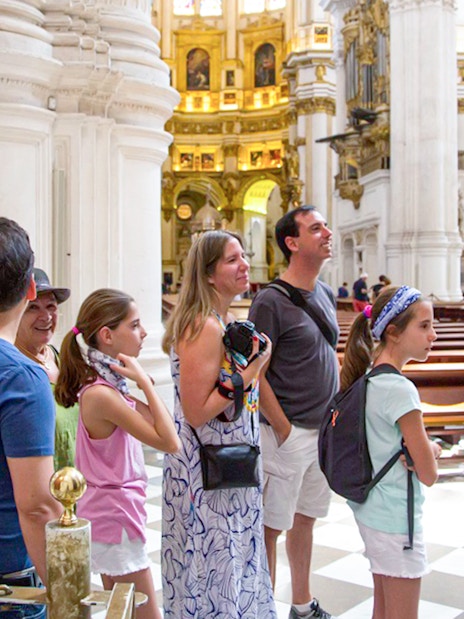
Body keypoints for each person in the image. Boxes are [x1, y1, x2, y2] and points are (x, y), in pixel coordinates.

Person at [161, 230, 276, 618]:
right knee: (213, 573)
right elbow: (197, 411)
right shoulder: (202, 326)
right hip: (207, 475)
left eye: (243, 256)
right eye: (232, 259)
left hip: (230, 469)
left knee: (233, 566)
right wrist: (256, 367)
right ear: (209, 274)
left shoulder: (221, 321)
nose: (244, 264)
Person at [55, 289, 180, 619]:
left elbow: (163, 423)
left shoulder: (109, 387)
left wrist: (139, 384)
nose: (144, 333)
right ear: (107, 335)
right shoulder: (102, 394)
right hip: (114, 518)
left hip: (114, 514)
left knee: (122, 613)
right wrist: (146, 383)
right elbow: (170, 442)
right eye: (135, 325)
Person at [248, 205, 339, 619]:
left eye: (325, 226)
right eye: (316, 228)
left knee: (305, 521)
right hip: (287, 434)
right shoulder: (269, 300)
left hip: (323, 432)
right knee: (271, 527)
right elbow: (254, 371)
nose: (327, 232)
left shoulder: (323, 291)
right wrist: (283, 428)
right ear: (292, 242)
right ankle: (264, 608)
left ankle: (301, 605)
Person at [340, 285, 441, 619]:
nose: (434, 335)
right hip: (398, 519)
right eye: (424, 326)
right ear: (394, 332)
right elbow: (428, 475)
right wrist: (431, 452)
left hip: (373, 511)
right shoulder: (400, 390)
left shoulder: (369, 379)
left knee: (382, 610)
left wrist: (420, 450)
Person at [0, 217, 61, 618]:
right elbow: (38, 506)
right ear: (29, 288)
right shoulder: (21, 375)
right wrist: (69, 594)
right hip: (10, 578)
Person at [15, 268, 79, 470]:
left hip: (78, 487)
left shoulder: (63, 360)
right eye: (32, 308)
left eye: (51, 306)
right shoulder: (13, 369)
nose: (46, 316)